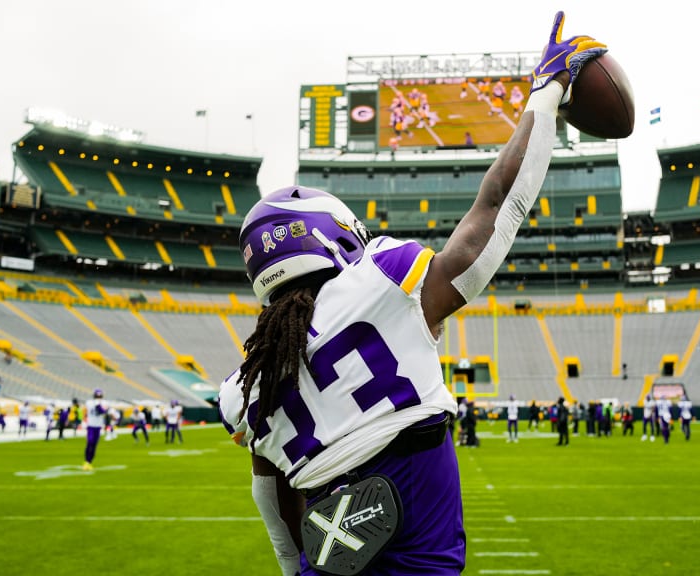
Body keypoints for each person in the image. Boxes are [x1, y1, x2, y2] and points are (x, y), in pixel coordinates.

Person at [217, 13, 607, 575]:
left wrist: (291, 566)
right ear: (337, 239)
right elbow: (496, 209)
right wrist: (545, 98)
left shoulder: (245, 384)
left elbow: (271, 499)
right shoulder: (378, 276)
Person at [82, 389, 107, 471]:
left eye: (99, 396)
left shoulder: (104, 403)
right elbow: (99, 410)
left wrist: (99, 405)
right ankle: (86, 461)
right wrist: (97, 404)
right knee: (90, 442)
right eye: (97, 396)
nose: (98, 397)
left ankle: (89, 462)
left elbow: (102, 411)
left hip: (98, 426)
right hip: (91, 426)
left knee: (94, 445)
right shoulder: (89, 403)